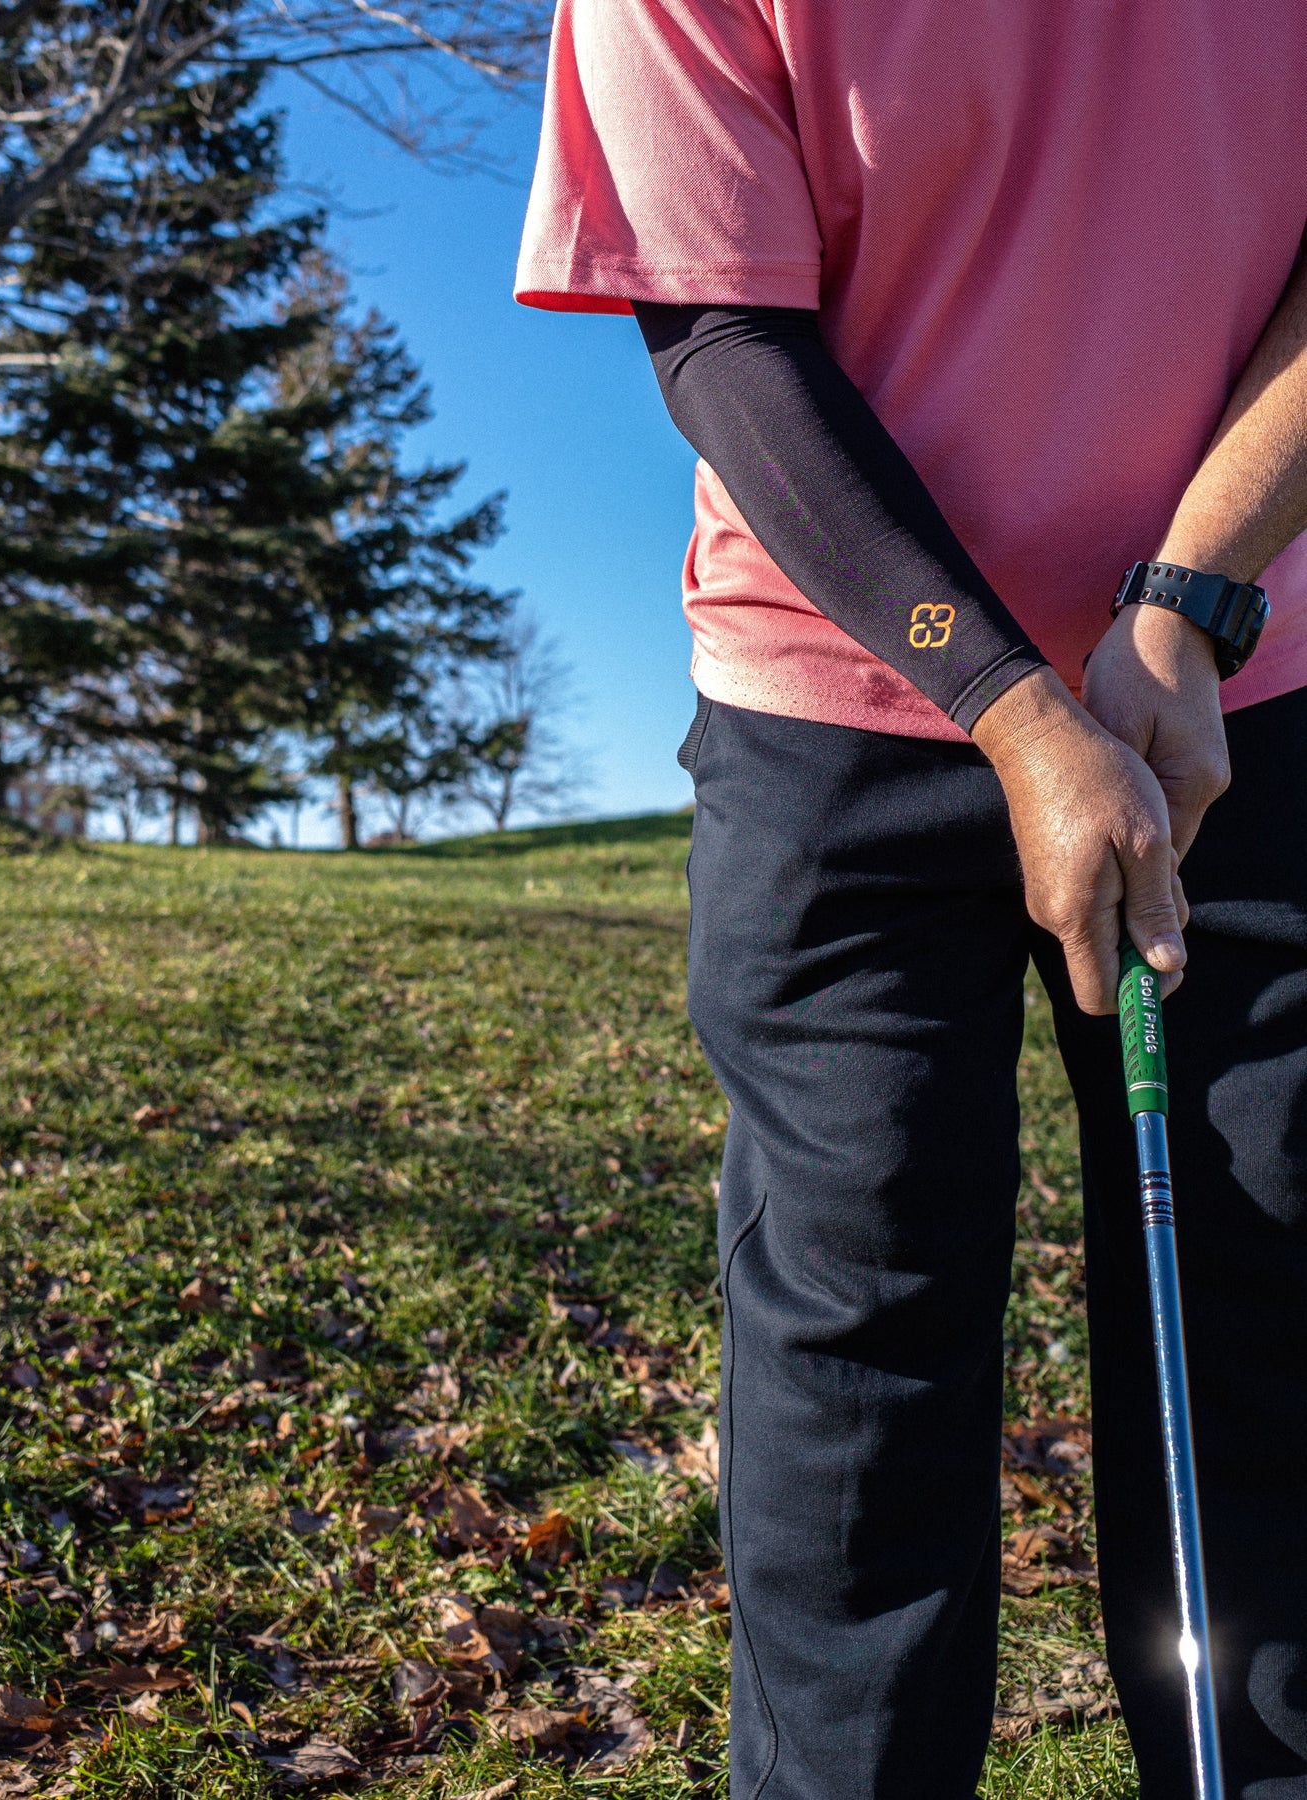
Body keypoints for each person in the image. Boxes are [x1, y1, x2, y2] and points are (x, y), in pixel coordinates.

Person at [515, 5, 1307, 1797]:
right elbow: (718, 323)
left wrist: (1186, 603)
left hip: (1226, 695)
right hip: (836, 711)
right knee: (861, 1332)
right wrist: (1014, 708)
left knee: (1265, 1299)